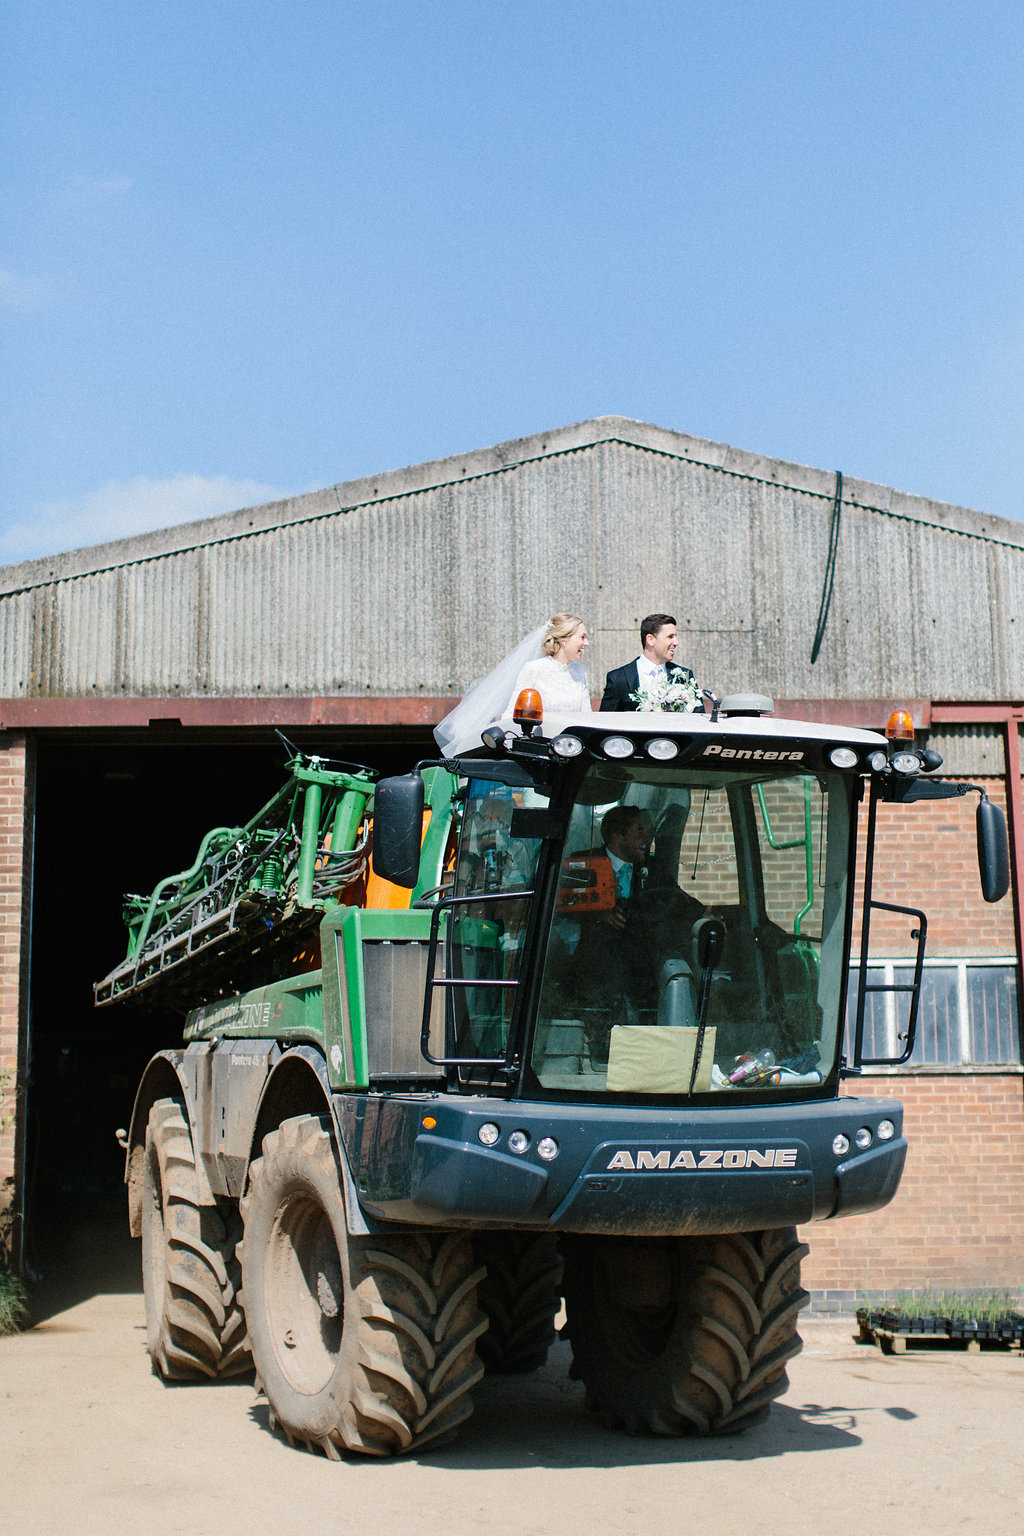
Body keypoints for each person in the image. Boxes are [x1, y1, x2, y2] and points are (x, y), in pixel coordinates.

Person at [599, 613, 703, 712]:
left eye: (676, 636)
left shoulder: (685, 676)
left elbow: (698, 719)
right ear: (650, 640)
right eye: (670, 637)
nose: (676, 642)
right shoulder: (619, 679)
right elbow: (605, 723)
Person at [506, 612, 593, 715]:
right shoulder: (534, 669)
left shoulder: (580, 671)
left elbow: (586, 714)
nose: (587, 643)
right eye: (582, 637)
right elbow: (512, 713)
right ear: (563, 640)